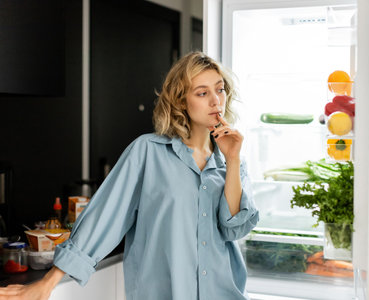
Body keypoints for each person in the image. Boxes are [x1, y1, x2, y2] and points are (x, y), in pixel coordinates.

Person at [0, 51, 259, 300]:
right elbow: (104, 217)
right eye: (203, 93)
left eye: (220, 88)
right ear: (181, 101)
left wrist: (233, 159)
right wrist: (47, 283)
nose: (216, 100)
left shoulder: (231, 161)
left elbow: (234, 229)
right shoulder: (148, 152)